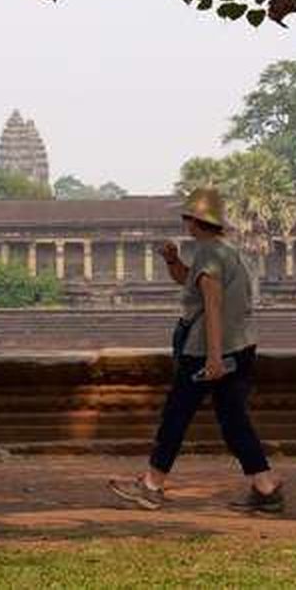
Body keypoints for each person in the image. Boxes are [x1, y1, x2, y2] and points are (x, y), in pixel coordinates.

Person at [109, 187, 283, 514]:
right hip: (239, 345)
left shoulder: (209, 253)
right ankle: (266, 486)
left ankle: (151, 485)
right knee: (233, 420)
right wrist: (173, 261)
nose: (185, 222)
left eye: (187, 217)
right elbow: (191, 282)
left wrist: (214, 358)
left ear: (195, 221)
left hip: (208, 349)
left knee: (177, 414)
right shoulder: (223, 251)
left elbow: (212, 305)